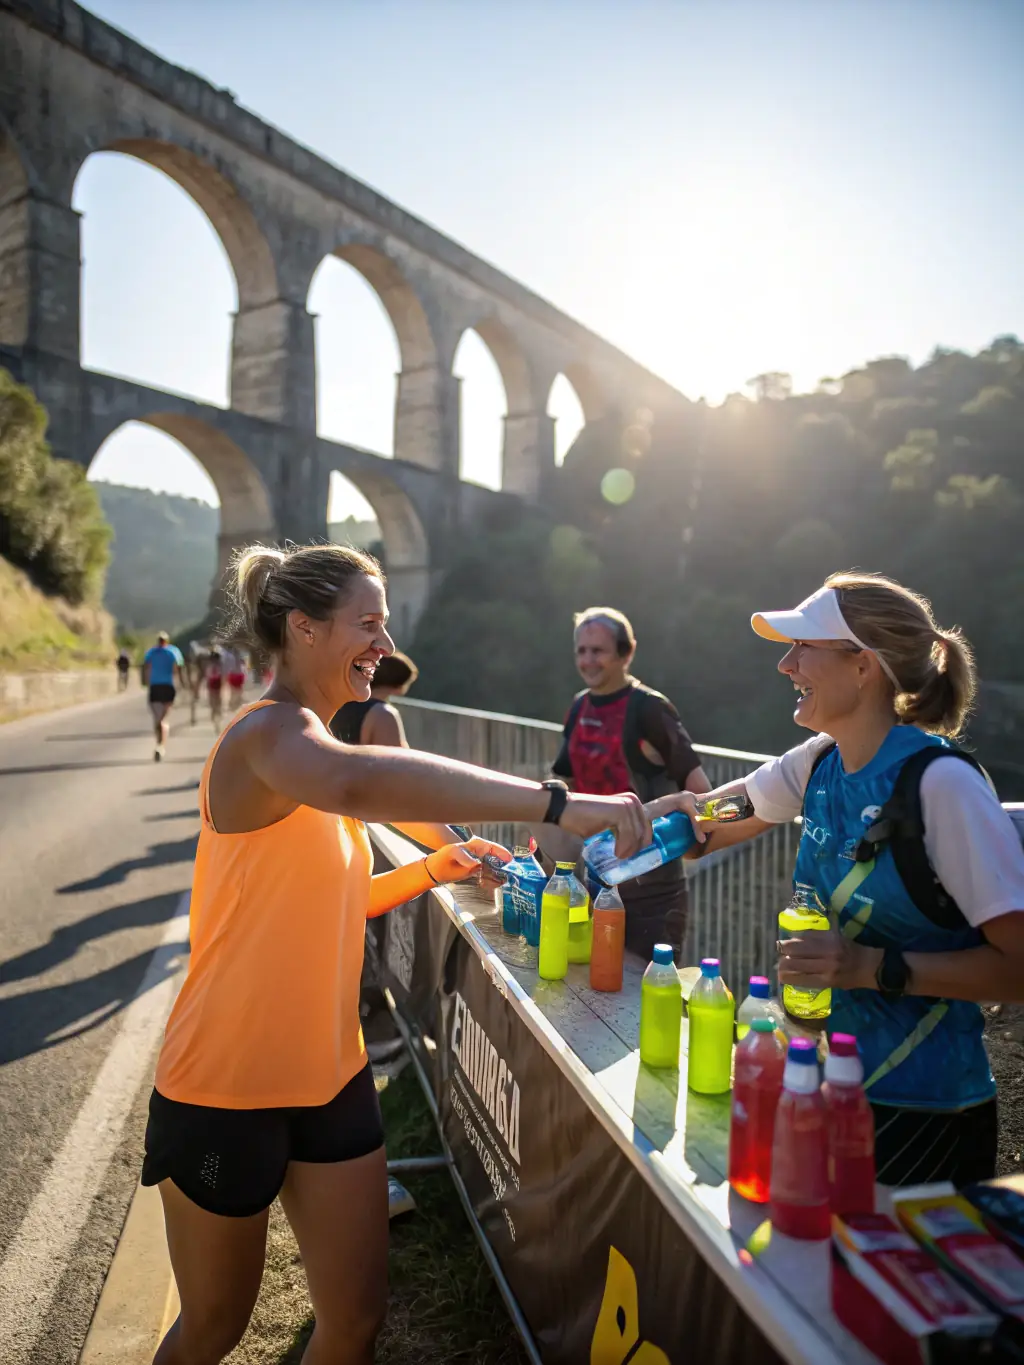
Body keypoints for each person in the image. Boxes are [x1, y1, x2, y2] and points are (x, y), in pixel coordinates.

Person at [143, 542, 653, 1365]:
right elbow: (360, 783)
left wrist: (432, 866)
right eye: (368, 624)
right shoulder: (269, 735)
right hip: (225, 1082)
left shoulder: (312, 743)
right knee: (214, 1327)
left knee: (355, 1319)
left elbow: (334, 900)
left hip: (331, 1072)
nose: (385, 643)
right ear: (304, 628)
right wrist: (558, 802)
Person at [657, 572, 1024, 1188]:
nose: (785, 665)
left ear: (863, 666)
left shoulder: (943, 785)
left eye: (804, 647)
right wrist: (643, 823)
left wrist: (869, 967)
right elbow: (710, 824)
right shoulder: (819, 762)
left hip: (926, 1113)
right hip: (823, 1086)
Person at [545, 606, 711, 961]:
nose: (587, 661)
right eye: (581, 651)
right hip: (591, 884)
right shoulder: (579, 707)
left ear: (626, 653)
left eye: (598, 651)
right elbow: (564, 783)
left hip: (651, 896)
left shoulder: (650, 709)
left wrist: (694, 842)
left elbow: (700, 790)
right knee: (589, 986)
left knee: (643, 991)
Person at [142, 632, 185, 762]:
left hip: (155, 687)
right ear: (167, 641)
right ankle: (161, 746)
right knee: (163, 719)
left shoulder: (151, 652)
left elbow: (145, 668)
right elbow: (178, 668)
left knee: (157, 719)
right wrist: (182, 683)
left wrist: (145, 682)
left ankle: (159, 744)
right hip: (167, 687)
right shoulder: (173, 651)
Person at [205, 648, 224, 731]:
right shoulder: (219, 665)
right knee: (217, 700)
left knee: (214, 700)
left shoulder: (211, 665)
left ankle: (215, 714)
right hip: (216, 683)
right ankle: (217, 714)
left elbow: (208, 676)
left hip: (214, 683)